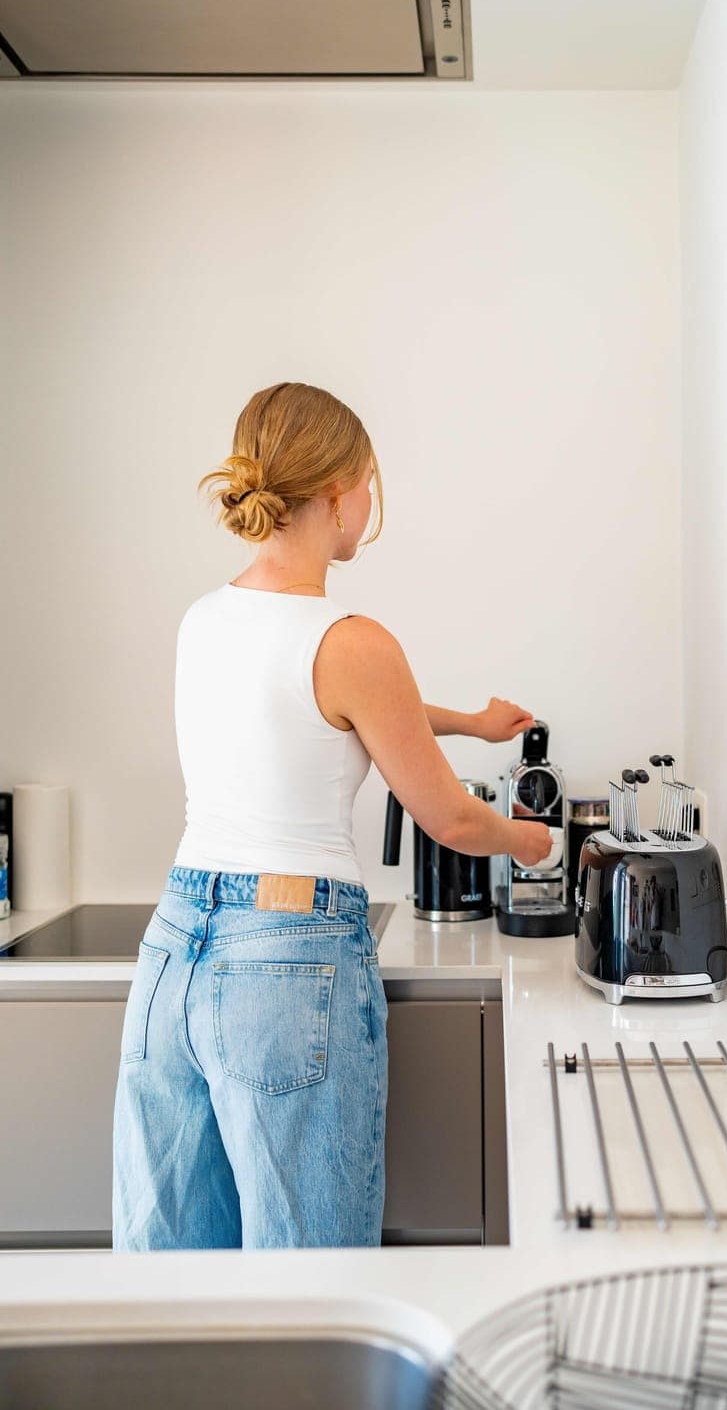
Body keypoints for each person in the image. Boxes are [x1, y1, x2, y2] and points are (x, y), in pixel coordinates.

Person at [112, 381, 552, 1251]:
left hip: (172, 954)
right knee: (309, 1281)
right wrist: (528, 842)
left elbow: (313, 705)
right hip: (286, 959)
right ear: (336, 491)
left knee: (168, 1287)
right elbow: (454, 821)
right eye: (369, 485)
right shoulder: (355, 641)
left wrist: (467, 720)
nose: (370, 506)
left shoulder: (204, 621)